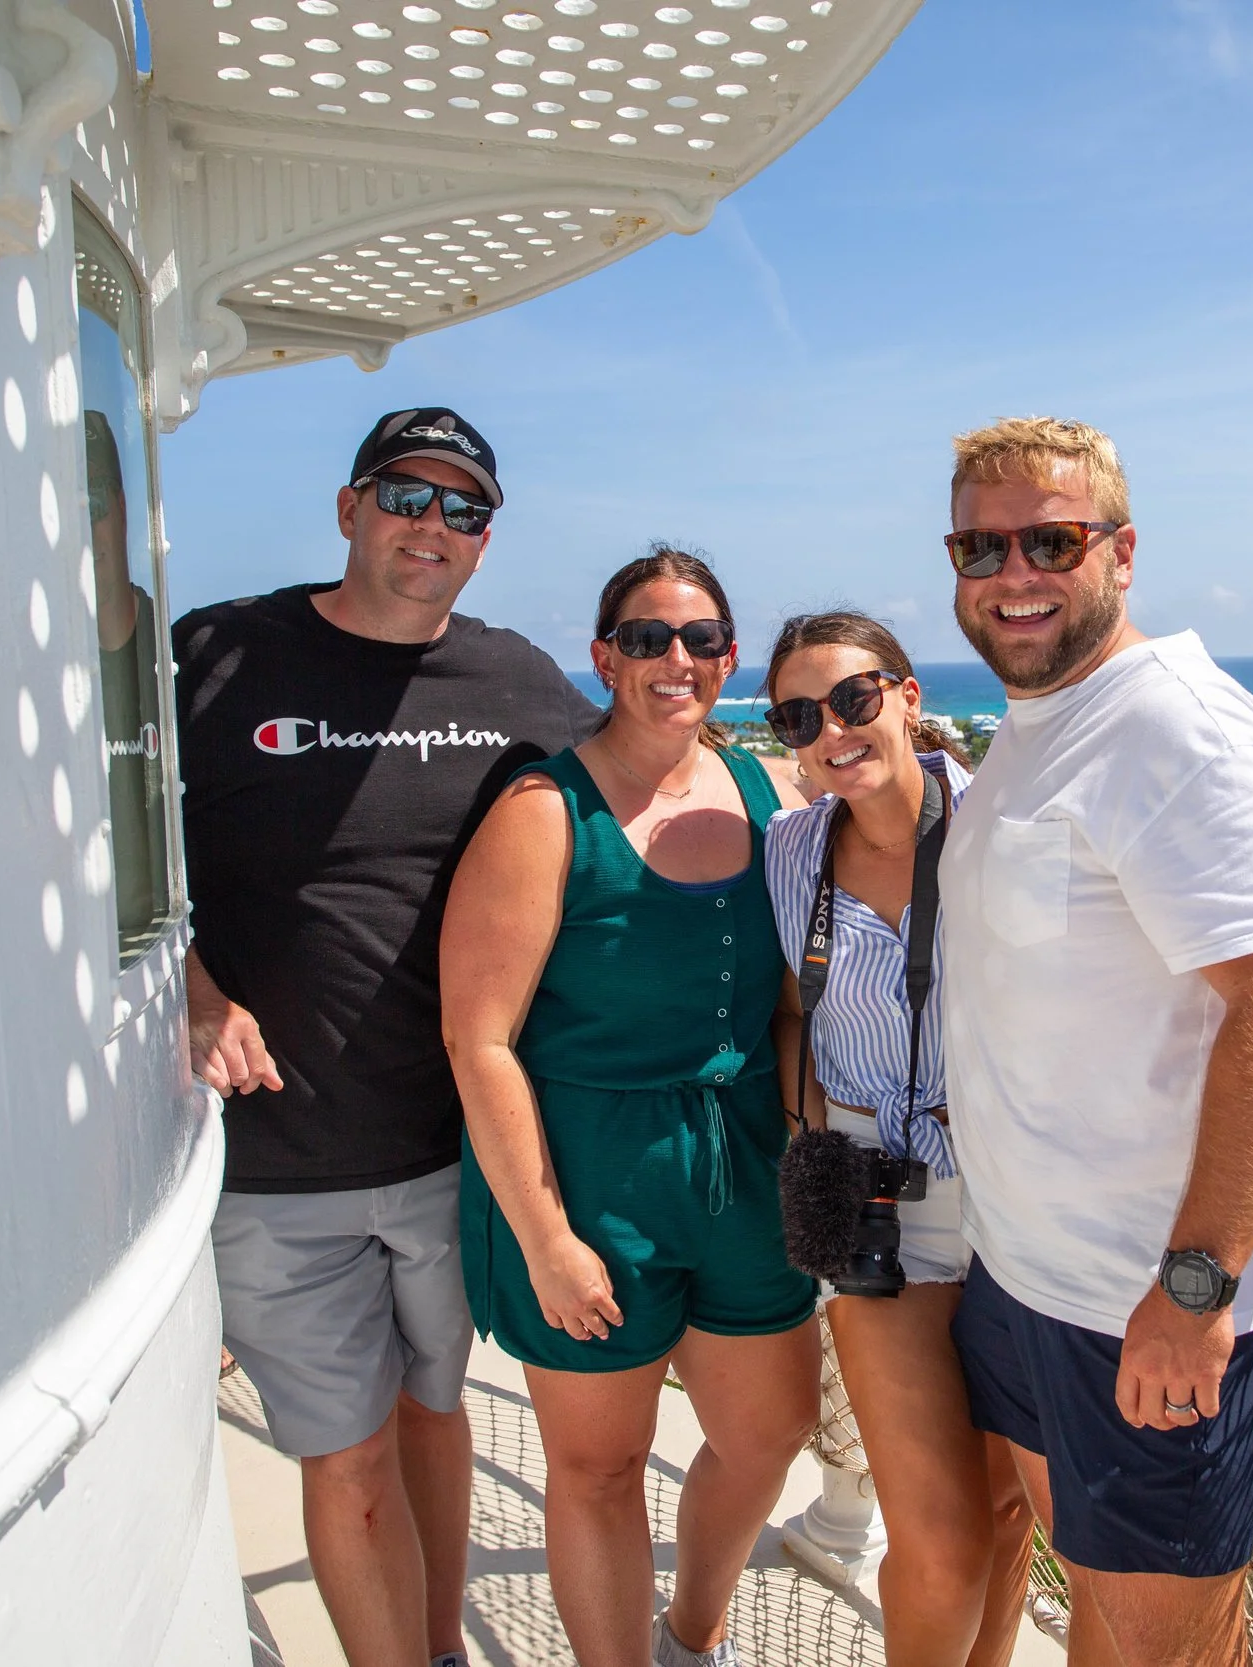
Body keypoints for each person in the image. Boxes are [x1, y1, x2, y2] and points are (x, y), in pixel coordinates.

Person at [175, 407, 600, 1667]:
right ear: (350, 507)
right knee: (346, 1457)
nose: (433, 526)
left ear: (484, 540)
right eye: (407, 496)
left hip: (444, 1149)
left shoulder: (512, 678)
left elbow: (626, 800)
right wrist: (195, 989)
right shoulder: (221, 655)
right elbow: (96, 839)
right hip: (276, 1160)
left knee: (434, 1413)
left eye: (463, 509)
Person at [935, 418, 1253, 1667]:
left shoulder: (1179, 730)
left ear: (1120, 552)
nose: (1015, 572)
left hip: (1152, 1301)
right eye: (981, 544)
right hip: (1030, 1279)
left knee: (1156, 1648)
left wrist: (1196, 1285)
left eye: (1050, 539)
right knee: (1094, 1609)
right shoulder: (1039, 722)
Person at [441, 549, 819, 1667]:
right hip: (588, 1171)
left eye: (701, 638)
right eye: (647, 637)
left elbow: (797, 1002)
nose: (676, 659)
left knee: (768, 1431)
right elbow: (480, 1039)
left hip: (744, 1166)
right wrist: (545, 1236)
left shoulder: (770, 793)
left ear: (730, 658)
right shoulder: (542, 810)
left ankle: (688, 1638)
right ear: (603, 656)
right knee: (599, 1466)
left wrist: (811, 1133)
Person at [760, 612, 1036, 1667]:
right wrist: (809, 1130)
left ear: (909, 698)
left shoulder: (1007, 823)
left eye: (854, 698)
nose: (831, 727)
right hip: (881, 1208)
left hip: (1023, 1202)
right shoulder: (790, 852)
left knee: (1008, 1514)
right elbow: (793, 1009)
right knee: (941, 1542)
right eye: (798, 713)